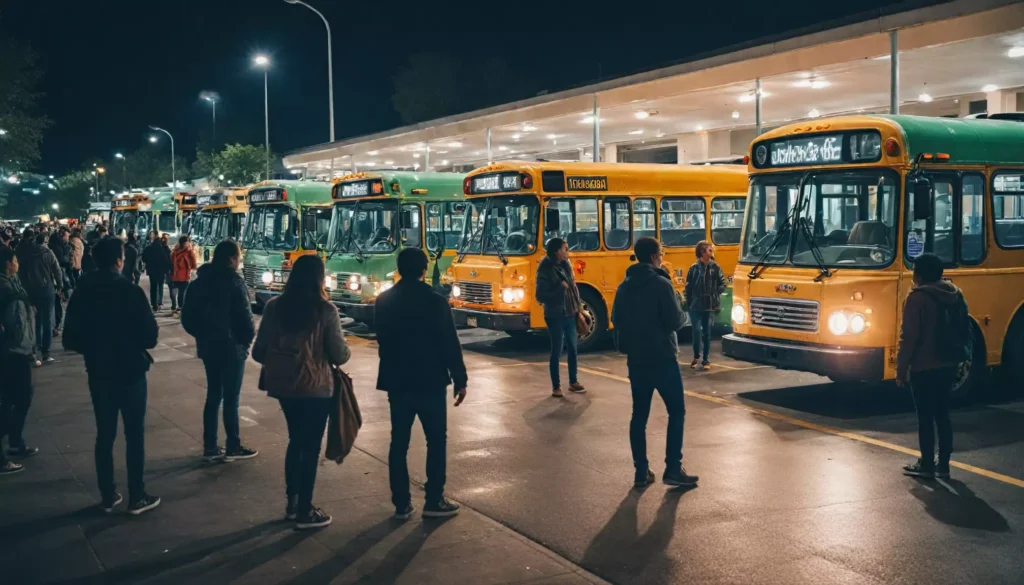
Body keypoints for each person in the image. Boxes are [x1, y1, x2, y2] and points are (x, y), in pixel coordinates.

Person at [63, 237, 161, 515]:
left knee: (104, 434)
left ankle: (108, 495)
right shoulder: (129, 291)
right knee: (134, 434)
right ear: (120, 260)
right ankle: (137, 495)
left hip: (99, 370)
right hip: (130, 369)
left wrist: (95, 347)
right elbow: (150, 336)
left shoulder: (83, 291)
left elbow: (71, 336)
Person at [252, 255, 349, 529]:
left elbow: (259, 351)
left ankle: (293, 503)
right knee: (310, 446)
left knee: (295, 441)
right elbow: (339, 355)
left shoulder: (274, 307)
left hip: (284, 386)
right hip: (316, 388)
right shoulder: (325, 310)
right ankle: (306, 510)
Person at [375, 248, 467, 520]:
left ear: (399, 269)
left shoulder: (383, 301)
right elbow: (450, 343)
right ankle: (434, 500)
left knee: (398, 442)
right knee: (436, 440)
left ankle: (401, 503)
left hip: (397, 380)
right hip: (430, 380)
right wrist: (460, 379)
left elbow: (382, 340)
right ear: (424, 270)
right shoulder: (435, 301)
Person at [611, 237, 697, 489]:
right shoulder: (662, 284)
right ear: (653, 257)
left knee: (639, 416)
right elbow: (675, 321)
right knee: (676, 411)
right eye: (661, 253)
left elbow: (616, 318)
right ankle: (672, 467)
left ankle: (641, 470)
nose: (662, 257)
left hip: (636, 360)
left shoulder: (624, 286)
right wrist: (681, 309)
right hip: (662, 358)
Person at [182, 240, 257, 462]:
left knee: (214, 395)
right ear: (232, 259)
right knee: (231, 397)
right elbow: (246, 319)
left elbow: (187, 318)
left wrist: (202, 335)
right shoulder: (235, 282)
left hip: (209, 347)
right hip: (231, 349)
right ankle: (232, 444)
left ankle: (210, 446)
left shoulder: (199, 283)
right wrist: (244, 342)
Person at [896, 253, 963, 480]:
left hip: (924, 366)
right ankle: (943, 464)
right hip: (948, 364)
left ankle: (926, 464)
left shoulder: (917, 298)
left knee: (925, 417)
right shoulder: (954, 294)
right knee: (943, 414)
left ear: (919, 274)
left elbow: (909, 337)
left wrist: (901, 369)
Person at [0, 245, 38, 474]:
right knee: (17, 399)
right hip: (12, 352)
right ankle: (9, 447)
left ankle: (15, 443)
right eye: (14, 259)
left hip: (16, 350)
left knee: (14, 399)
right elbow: (16, 324)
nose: (17, 262)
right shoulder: (6, 288)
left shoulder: (12, 284)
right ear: (7, 263)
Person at [534, 238, 585, 397]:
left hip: (570, 312)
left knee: (573, 348)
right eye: (564, 249)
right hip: (555, 315)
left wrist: (578, 307)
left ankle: (573, 381)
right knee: (556, 350)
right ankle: (556, 386)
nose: (567, 252)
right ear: (556, 251)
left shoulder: (566, 264)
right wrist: (559, 289)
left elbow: (573, 288)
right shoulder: (545, 269)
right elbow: (540, 296)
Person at [16, 230, 62, 366]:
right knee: (47, 319)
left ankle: (34, 351)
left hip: (31, 291)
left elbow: (21, 274)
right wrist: (60, 286)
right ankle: (46, 353)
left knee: (34, 320)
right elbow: (57, 271)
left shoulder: (27, 254)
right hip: (47, 289)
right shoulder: (48, 253)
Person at [683, 240, 726, 371]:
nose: (712, 252)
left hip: (709, 305)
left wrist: (714, 293)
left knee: (707, 333)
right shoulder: (693, 268)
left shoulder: (716, 267)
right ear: (702, 252)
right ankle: (696, 355)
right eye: (709, 250)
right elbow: (688, 286)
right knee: (696, 331)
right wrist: (688, 300)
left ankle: (706, 360)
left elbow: (722, 284)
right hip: (695, 305)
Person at [142, 233, 172, 311]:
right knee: (160, 286)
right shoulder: (161, 249)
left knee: (153, 287)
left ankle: (153, 303)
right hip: (160, 271)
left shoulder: (148, 248)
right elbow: (166, 260)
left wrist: (148, 263)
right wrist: (169, 268)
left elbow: (143, 258)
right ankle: (159, 302)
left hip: (152, 271)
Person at [169, 235, 196, 317]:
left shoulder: (185, 252)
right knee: (178, 292)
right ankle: (178, 307)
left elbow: (193, 264)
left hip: (181, 276)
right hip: (179, 276)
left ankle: (179, 307)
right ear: (183, 243)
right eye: (187, 242)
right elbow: (172, 263)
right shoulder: (178, 252)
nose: (188, 243)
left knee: (181, 293)